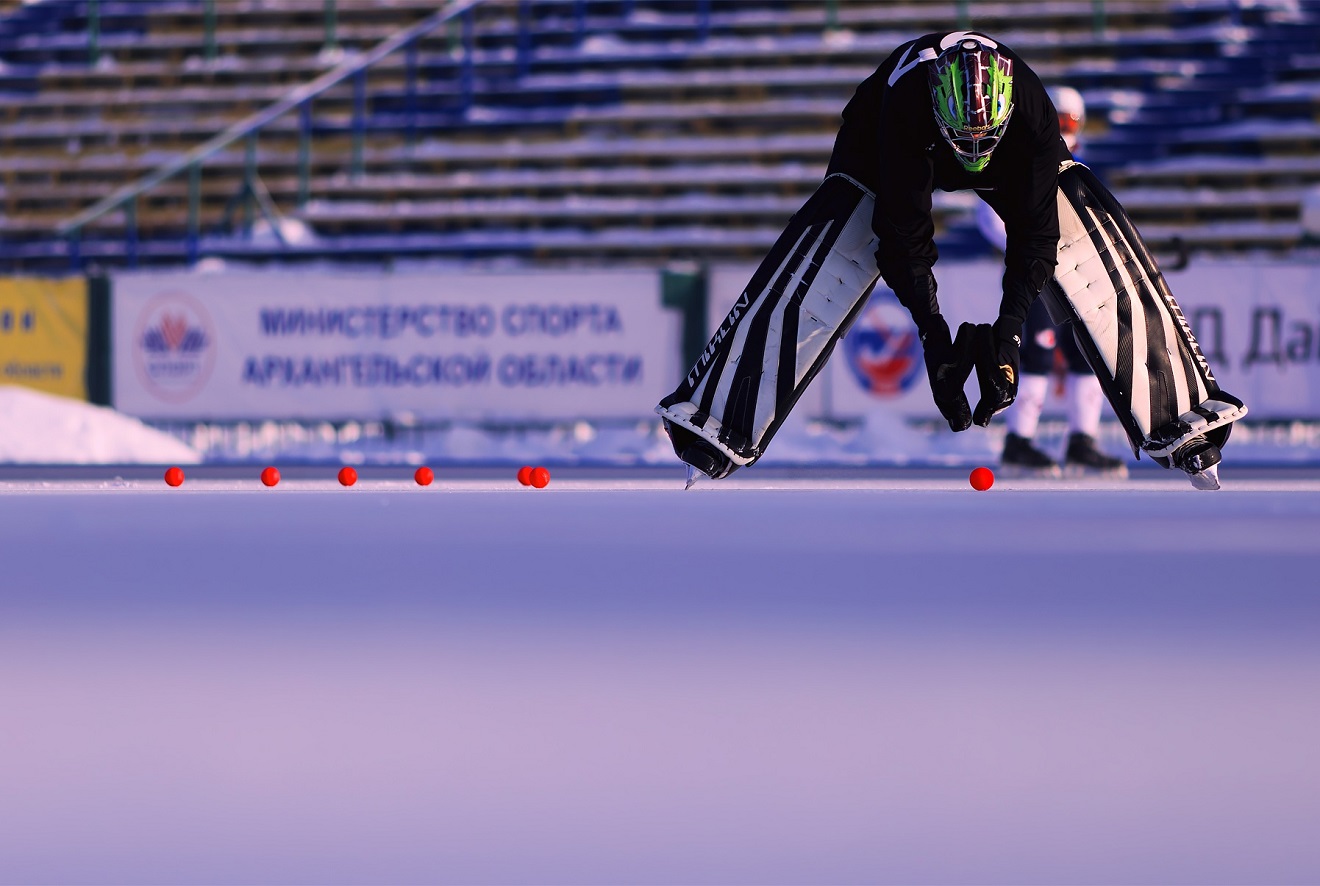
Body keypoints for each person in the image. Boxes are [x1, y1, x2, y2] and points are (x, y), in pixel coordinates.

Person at [825, 30, 1071, 436]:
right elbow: (904, 240)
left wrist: (1011, 329)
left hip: (990, 141)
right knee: (853, 226)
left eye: (983, 140)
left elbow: (1038, 236)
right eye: (964, 140)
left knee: (1064, 214)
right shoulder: (908, 108)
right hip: (902, 131)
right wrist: (932, 334)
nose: (973, 151)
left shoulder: (1032, 111)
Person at [974, 85, 1129, 477]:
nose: (1064, 130)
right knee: (1038, 353)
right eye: (1057, 122)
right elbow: (989, 218)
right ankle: (1019, 440)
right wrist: (1033, 248)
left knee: (1086, 354)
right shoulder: (1018, 161)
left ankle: (1082, 440)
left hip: (1077, 274)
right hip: (1038, 273)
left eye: (1069, 123)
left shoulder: (1079, 166)